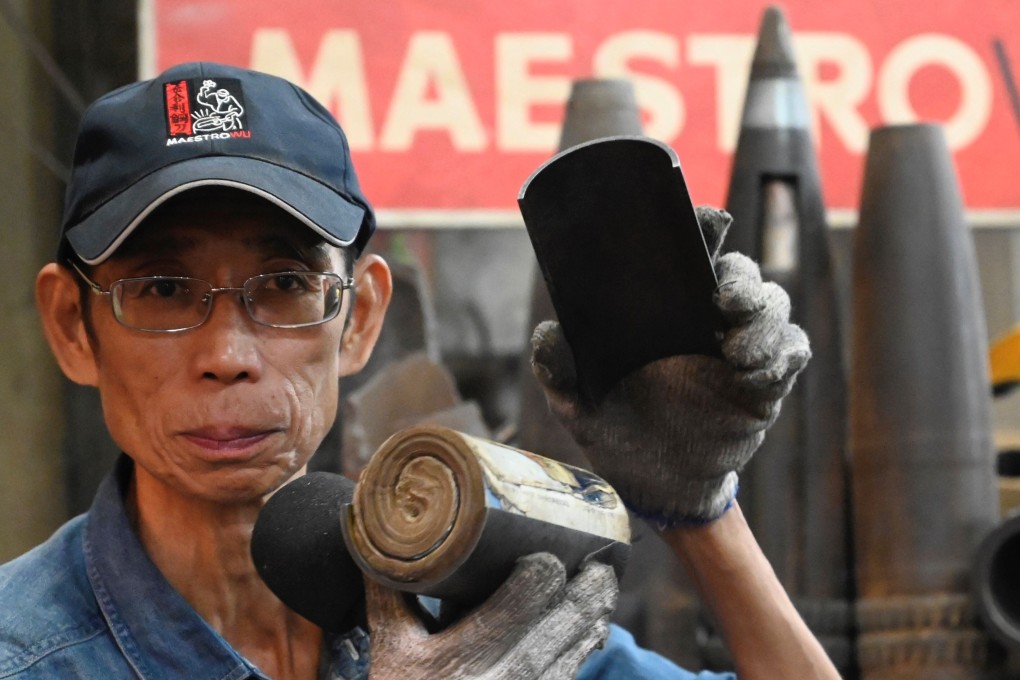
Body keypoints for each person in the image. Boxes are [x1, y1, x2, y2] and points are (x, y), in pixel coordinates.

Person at [0, 61, 840, 679]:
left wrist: (702, 516)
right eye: (162, 289)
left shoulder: (478, 610)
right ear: (74, 328)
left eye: (287, 285)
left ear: (360, 317)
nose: (227, 357)